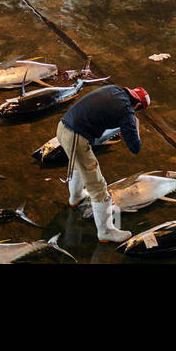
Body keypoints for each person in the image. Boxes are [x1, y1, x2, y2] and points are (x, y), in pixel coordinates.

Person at [60, 84, 150, 243]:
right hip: (76, 137)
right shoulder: (127, 111)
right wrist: (136, 126)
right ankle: (106, 232)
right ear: (137, 105)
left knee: (77, 165)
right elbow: (135, 147)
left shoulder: (114, 89)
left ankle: (76, 197)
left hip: (62, 128)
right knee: (98, 188)